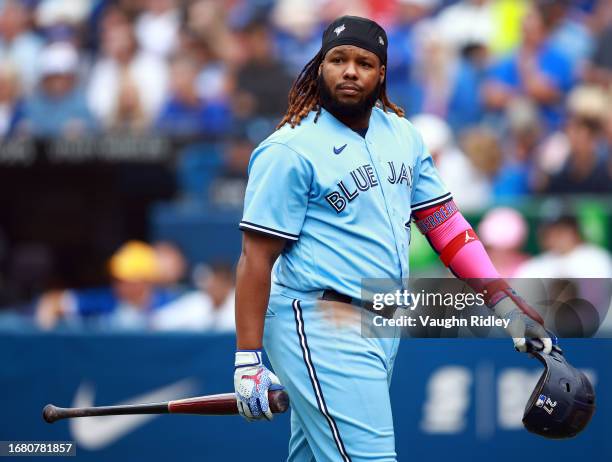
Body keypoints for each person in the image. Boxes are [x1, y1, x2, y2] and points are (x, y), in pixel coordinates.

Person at [233, 16, 552, 461]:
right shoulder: (288, 148)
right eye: (337, 59)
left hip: (380, 319)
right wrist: (247, 359)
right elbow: (255, 257)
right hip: (317, 318)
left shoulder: (402, 134)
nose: (349, 70)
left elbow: (447, 227)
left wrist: (501, 299)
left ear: (381, 73)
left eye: (363, 62)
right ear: (318, 67)